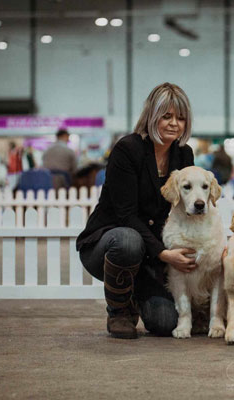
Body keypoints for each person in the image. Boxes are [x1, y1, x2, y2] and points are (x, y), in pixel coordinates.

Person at [76, 83, 195, 339]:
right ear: (152, 116)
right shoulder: (128, 149)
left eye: (181, 118)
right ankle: (119, 312)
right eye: (167, 116)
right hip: (111, 244)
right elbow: (126, 215)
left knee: (165, 323)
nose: (175, 123)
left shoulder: (184, 154)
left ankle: (135, 295)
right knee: (129, 240)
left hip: (151, 256)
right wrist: (164, 253)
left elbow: (185, 210)